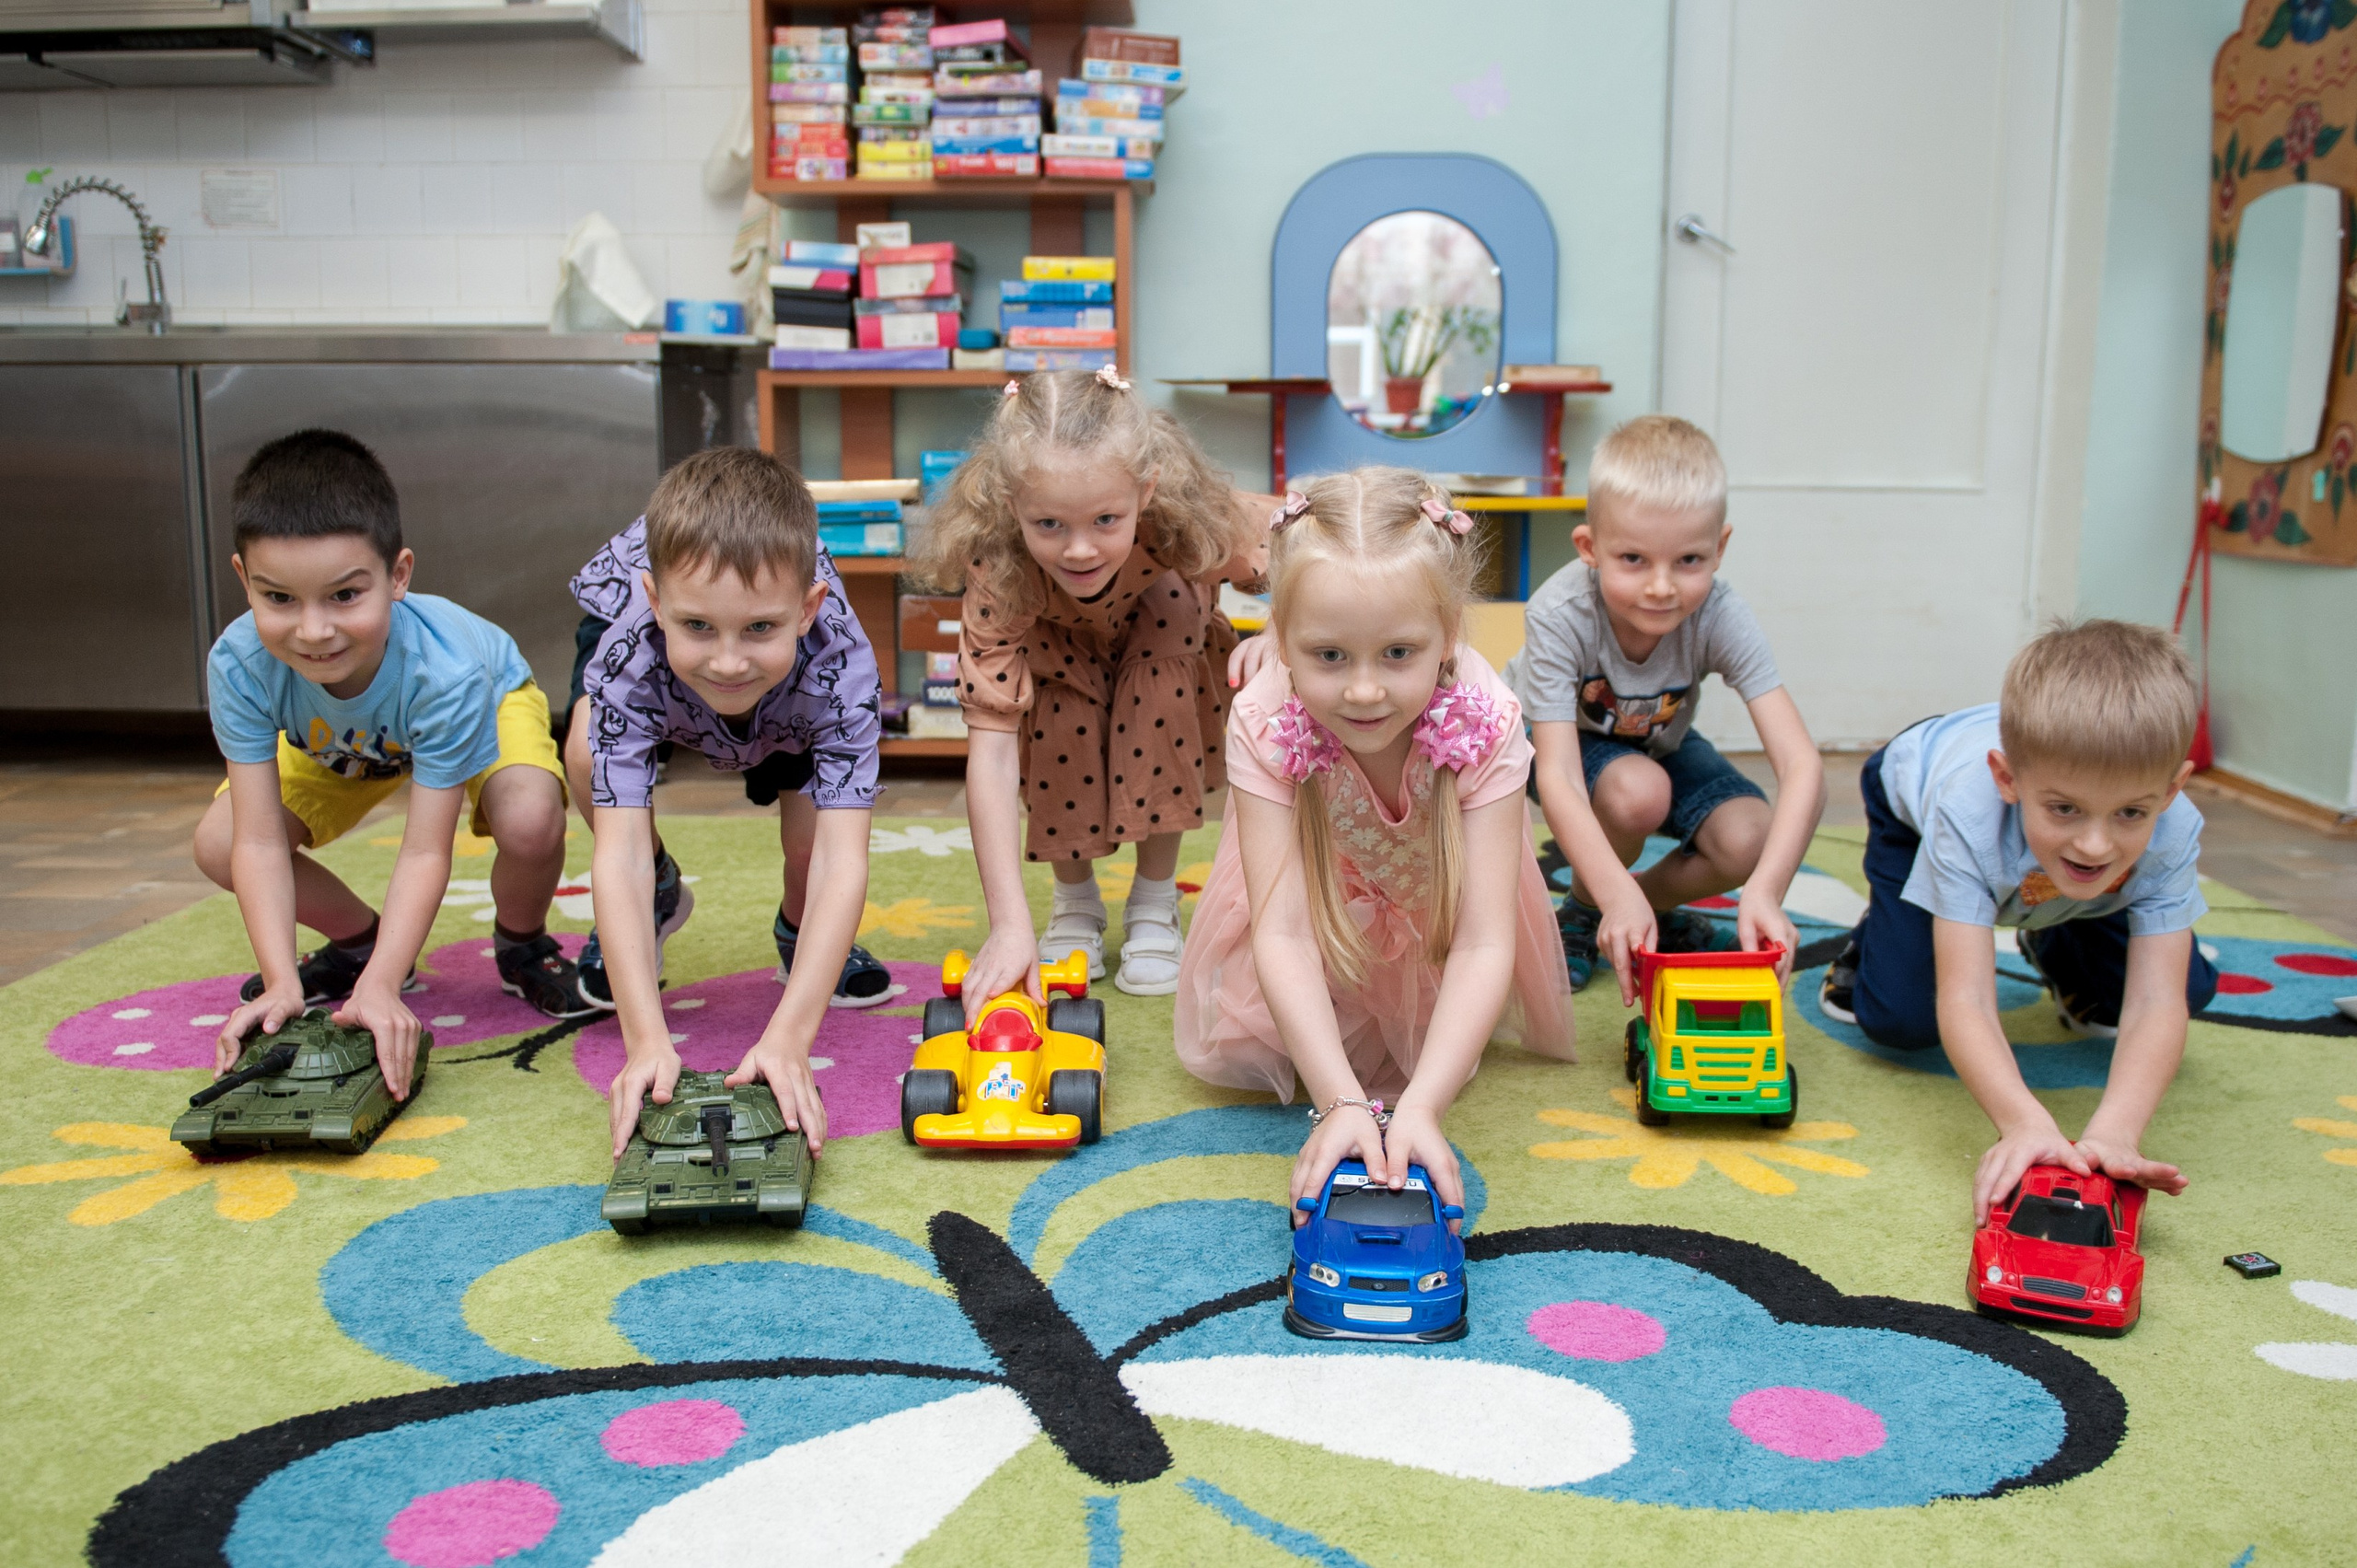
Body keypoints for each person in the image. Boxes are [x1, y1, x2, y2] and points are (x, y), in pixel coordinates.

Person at [1174, 468, 1573, 1220]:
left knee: (1427, 1054)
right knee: (1267, 1033)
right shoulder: (1265, 716)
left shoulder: (1488, 719)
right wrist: (1338, 1105)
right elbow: (1285, 931)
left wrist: (1421, 1108)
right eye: (1329, 656)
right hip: (1321, 886)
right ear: (1281, 639)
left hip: (1439, 892)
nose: (1363, 691)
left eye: (1398, 653)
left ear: (1448, 634)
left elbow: (1485, 942)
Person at [194, 429, 580, 1104]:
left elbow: (426, 850)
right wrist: (281, 979)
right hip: (338, 743)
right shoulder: (239, 664)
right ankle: (356, 942)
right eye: (279, 598)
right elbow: (256, 839)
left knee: (530, 820)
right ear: (243, 579)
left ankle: (521, 942)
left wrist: (382, 986)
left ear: (398, 575)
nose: (313, 631)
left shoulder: (448, 673)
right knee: (219, 842)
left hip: (477, 706)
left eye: (345, 596)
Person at [1817, 620, 2218, 1221]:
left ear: (2170, 791)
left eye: (2132, 812)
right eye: (2065, 808)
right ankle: (1875, 937)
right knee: (1900, 1016)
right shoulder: (1965, 810)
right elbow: (1969, 997)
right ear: (2008, 778)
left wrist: (2114, 1134)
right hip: (1914, 796)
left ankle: (2053, 933)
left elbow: (2157, 1001)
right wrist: (2023, 1121)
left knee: (2192, 989)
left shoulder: (2174, 827)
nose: (2095, 843)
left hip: (2042, 867)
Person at [561, 447, 882, 1161]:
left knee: (809, 851)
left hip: (794, 700)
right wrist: (646, 1040)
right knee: (584, 752)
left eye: (758, 629)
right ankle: (662, 895)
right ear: (656, 603)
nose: (729, 661)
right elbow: (611, 858)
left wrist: (790, 1037)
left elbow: (843, 855)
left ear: (806, 611)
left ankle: (796, 935)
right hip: (648, 663)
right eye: (699, 626)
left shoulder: (840, 667)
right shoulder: (630, 659)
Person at [923, 364, 1274, 1005]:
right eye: (1050, 525)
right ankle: (1075, 899)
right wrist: (1009, 924)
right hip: (1059, 650)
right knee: (1059, 708)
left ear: (1146, 490)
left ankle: (1155, 899)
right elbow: (994, 751)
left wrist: (1282, 627)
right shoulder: (1001, 570)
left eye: (1106, 521)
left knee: (1161, 676)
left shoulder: (1189, 512)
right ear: (1012, 507)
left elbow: (1311, 538)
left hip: (1161, 630)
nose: (1080, 550)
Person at [1508, 414, 1825, 1002]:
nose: (1661, 587)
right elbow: (1557, 776)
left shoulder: (1722, 614)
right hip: (1549, 740)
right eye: (1633, 559)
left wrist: (1765, 889)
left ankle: (1645, 905)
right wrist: (1611, 892)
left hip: (1658, 741)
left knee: (1750, 838)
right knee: (1638, 792)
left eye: (1688, 561)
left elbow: (1802, 765)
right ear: (1590, 549)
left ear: (1719, 548)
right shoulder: (1560, 613)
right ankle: (1586, 909)